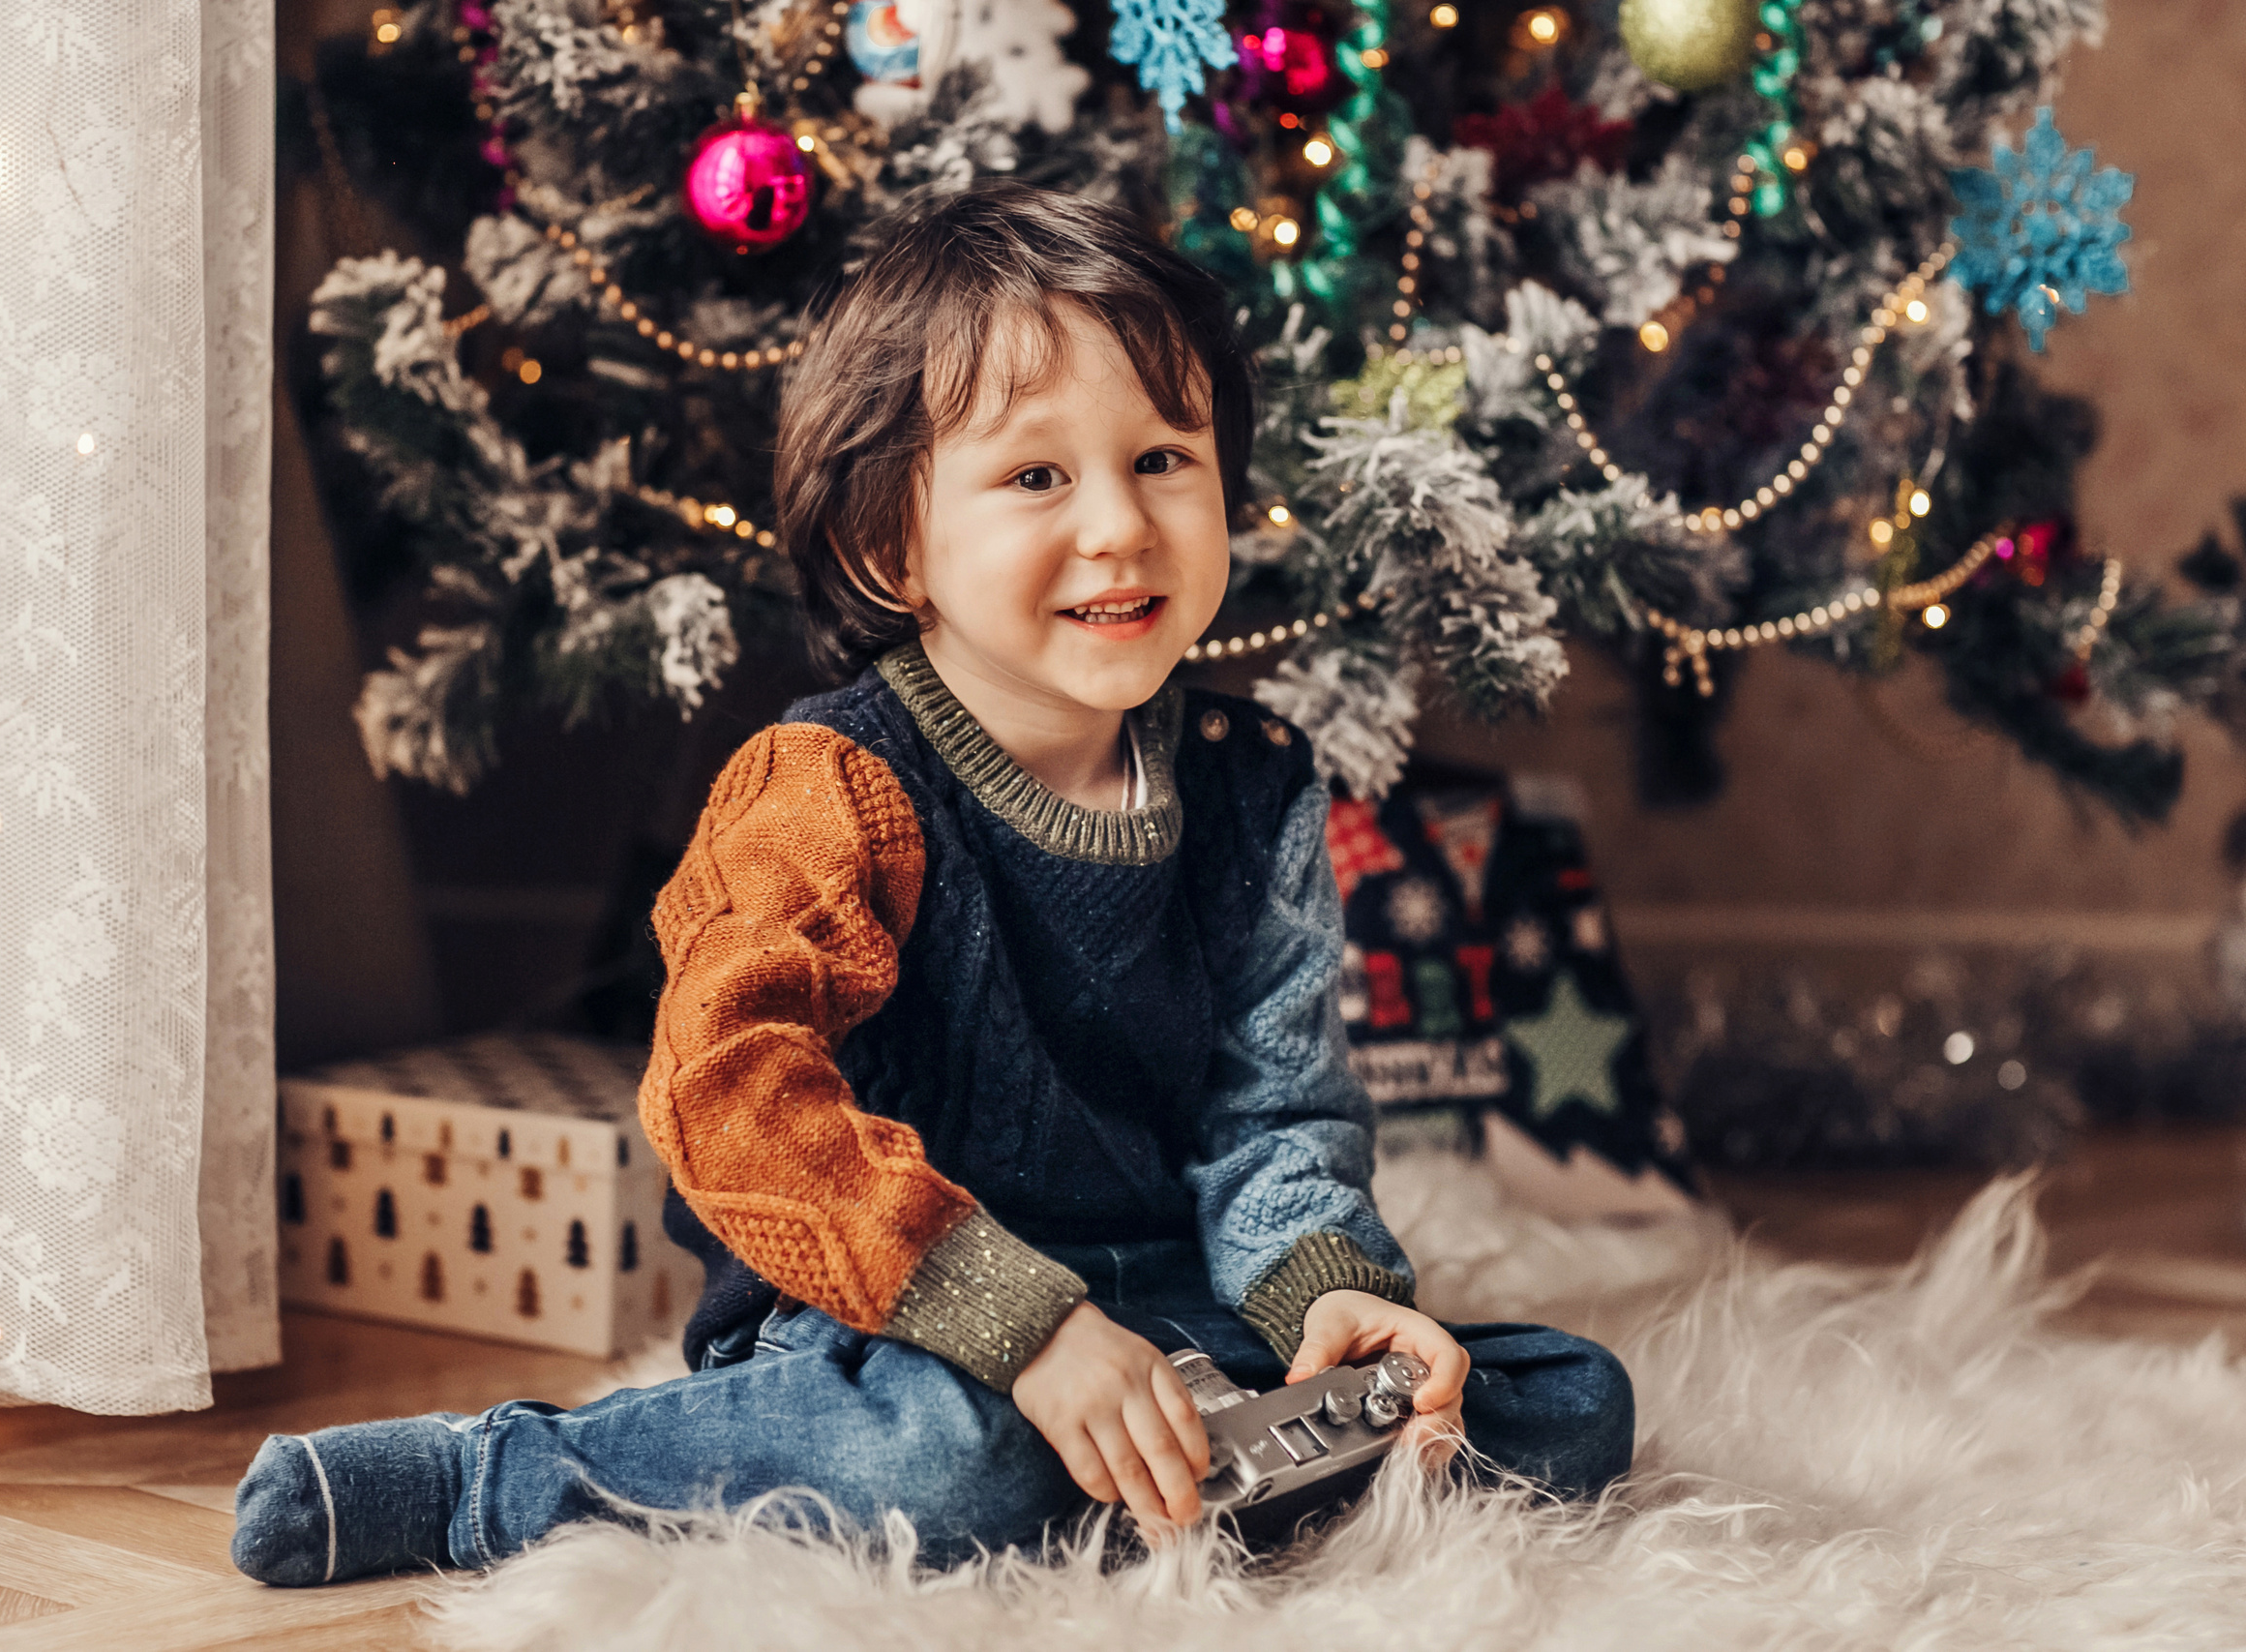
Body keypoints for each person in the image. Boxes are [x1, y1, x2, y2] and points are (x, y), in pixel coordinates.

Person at [231, 181, 1632, 1587]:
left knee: (1556, 1406)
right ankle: (497, 1477)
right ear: (890, 546)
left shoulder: (1253, 778)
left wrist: (1333, 1302)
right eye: (1037, 477)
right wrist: (1022, 1327)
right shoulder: (831, 783)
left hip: (1165, 1295)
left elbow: (1271, 1111)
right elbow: (729, 1095)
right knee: (952, 1460)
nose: (1120, 528)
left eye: (1163, 458)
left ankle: (1185, 1468)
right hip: (889, 1308)